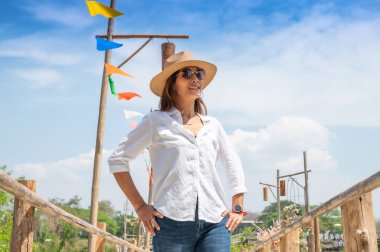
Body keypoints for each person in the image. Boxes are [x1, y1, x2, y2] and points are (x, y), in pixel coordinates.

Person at [108, 51, 247, 251]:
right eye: (187, 73)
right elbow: (117, 160)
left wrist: (237, 208)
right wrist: (140, 207)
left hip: (215, 223)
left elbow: (233, 164)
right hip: (170, 223)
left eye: (199, 74)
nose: (195, 78)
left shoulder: (213, 125)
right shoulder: (155, 122)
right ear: (171, 83)